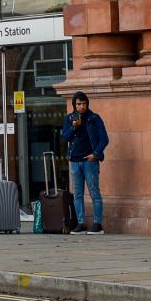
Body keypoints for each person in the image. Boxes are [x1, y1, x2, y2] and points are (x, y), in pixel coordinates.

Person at [61, 90, 109, 234]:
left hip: (89, 161)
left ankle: (97, 224)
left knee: (94, 192)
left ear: (87, 104)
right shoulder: (70, 119)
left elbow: (104, 139)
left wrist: (95, 154)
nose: (81, 107)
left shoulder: (94, 118)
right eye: (78, 104)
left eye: (84, 103)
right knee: (78, 194)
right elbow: (65, 137)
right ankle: (81, 223)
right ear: (74, 105)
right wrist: (74, 126)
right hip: (74, 161)